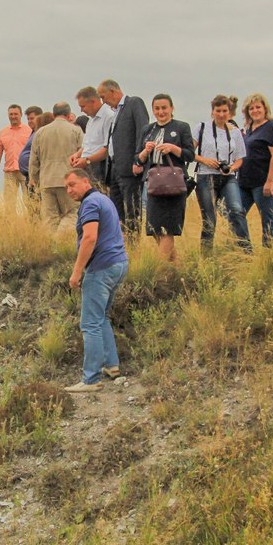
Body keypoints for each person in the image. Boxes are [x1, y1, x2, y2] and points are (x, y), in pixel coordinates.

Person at [64, 168, 129, 393]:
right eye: (66, 187)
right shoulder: (103, 199)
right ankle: (112, 366)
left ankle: (90, 379)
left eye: (72, 184)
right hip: (118, 263)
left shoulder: (90, 204)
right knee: (101, 317)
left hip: (101, 268)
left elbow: (90, 237)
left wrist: (77, 272)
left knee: (90, 323)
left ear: (85, 181)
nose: (69, 190)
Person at [137, 94, 195, 262]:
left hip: (174, 183)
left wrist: (173, 148)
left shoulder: (182, 127)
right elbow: (138, 159)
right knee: (155, 229)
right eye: (157, 108)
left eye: (164, 108)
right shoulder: (147, 130)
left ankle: (160, 269)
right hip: (154, 183)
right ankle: (175, 266)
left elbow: (190, 155)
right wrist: (145, 151)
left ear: (171, 108)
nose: (161, 112)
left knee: (168, 229)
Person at [194, 95, 252, 252]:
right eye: (218, 111)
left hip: (227, 177)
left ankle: (246, 251)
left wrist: (231, 168)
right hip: (206, 175)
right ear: (212, 111)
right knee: (209, 218)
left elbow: (240, 158)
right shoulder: (202, 128)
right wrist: (205, 160)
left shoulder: (235, 133)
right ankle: (206, 256)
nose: (221, 114)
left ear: (229, 112)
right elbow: (189, 152)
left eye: (224, 111)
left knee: (237, 210)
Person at [98, 79, 149, 236]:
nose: (103, 101)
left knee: (132, 211)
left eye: (103, 97)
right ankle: (122, 245)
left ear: (112, 92)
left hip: (130, 168)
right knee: (117, 212)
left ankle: (133, 246)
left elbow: (143, 129)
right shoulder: (116, 112)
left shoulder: (134, 103)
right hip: (115, 168)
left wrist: (138, 159)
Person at [28, 102, 84, 229]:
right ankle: (61, 239)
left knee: (49, 217)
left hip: (47, 180)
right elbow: (83, 153)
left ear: (53, 115)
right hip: (69, 179)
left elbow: (34, 159)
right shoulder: (75, 130)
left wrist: (34, 179)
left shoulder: (41, 132)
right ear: (69, 115)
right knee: (71, 213)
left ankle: (51, 244)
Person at [237, 93, 273, 247]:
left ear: (264, 108)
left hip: (262, 182)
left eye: (258, 107)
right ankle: (245, 250)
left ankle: (269, 255)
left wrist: (270, 181)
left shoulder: (271, 126)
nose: (255, 110)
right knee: (235, 214)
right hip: (244, 181)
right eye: (251, 108)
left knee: (268, 219)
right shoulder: (248, 129)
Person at [0, 104, 30, 209]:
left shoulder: (29, 130)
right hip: (9, 172)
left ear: (21, 115)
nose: (13, 116)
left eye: (16, 114)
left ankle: (31, 224)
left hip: (26, 171)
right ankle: (10, 224)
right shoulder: (3, 132)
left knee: (29, 202)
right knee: (9, 204)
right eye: (11, 114)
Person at [17, 105, 43, 184]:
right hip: (29, 175)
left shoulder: (41, 133)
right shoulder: (33, 132)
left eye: (32, 118)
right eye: (28, 119)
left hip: (36, 176)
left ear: (40, 117)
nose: (29, 121)